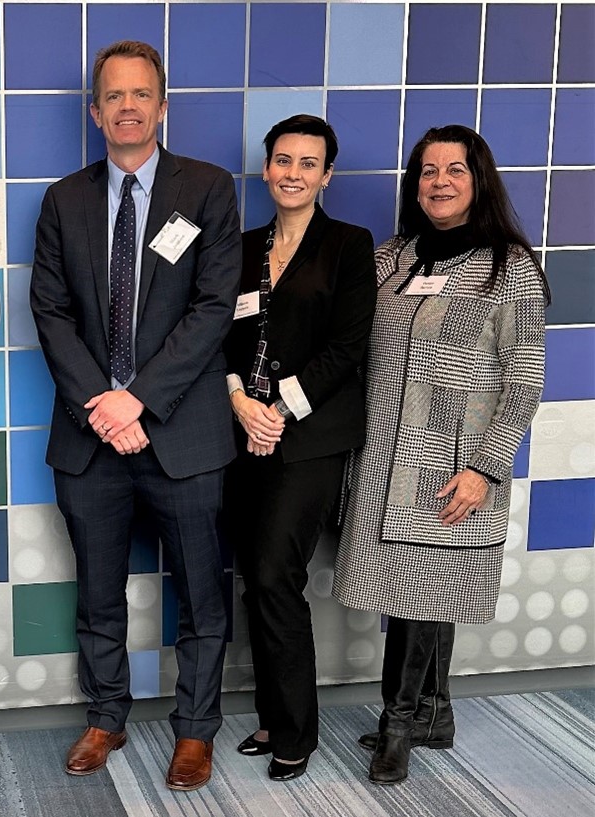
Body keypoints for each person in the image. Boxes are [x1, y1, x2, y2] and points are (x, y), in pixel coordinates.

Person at [30, 40, 241, 791]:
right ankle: (106, 715)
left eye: (140, 94)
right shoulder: (64, 199)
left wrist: (139, 400)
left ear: (162, 106)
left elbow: (214, 308)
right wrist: (105, 408)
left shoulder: (210, 189)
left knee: (201, 592)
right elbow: (50, 314)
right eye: (112, 96)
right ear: (95, 112)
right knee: (96, 592)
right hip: (90, 440)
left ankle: (195, 731)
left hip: (183, 433)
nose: (127, 106)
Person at [334, 125, 548, 785]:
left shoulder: (508, 267)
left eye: (455, 170)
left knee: (428, 590)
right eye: (428, 171)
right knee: (419, 590)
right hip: (382, 454)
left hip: (449, 459)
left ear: (478, 179)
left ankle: (398, 728)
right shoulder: (394, 256)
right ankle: (435, 712)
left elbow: (525, 379)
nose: (440, 182)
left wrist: (485, 467)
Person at [223, 116, 375, 781]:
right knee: (255, 581)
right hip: (242, 430)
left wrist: (279, 410)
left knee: (274, 576)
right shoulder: (242, 245)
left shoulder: (348, 244)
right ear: (266, 169)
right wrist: (239, 400)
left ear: (326, 175)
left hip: (308, 438)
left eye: (308, 163)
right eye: (283, 161)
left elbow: (349, 346)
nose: (293, 173)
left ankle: (295, 731)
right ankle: (272, 714)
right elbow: (221, 337)